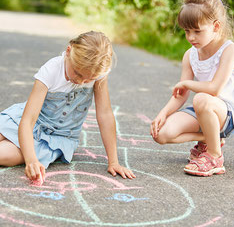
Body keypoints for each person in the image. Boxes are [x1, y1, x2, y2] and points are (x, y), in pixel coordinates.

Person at [0, 31, 136, 185]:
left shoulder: (98, 73)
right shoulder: (51, 70)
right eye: (77, 73)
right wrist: (31, 161)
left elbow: (105, 115)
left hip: (56, 137)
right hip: (29, 120)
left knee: (5, 155)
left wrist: (114, 162)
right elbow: (28, 120)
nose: (81, 81)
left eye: (88, 79)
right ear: (69, 51)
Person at [150, 0, 234, 176]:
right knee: (162, 134)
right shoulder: (190, 55)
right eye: (187, 31)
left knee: (202, 98)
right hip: (203, 110)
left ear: (216, 26)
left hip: (227, 112)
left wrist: (187, 83)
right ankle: (210, 138)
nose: (191, 37)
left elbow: (215, 89)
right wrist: (163, 113)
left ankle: (214, 156)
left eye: (197, 31)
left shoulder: (229, 50)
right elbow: (181, 94)